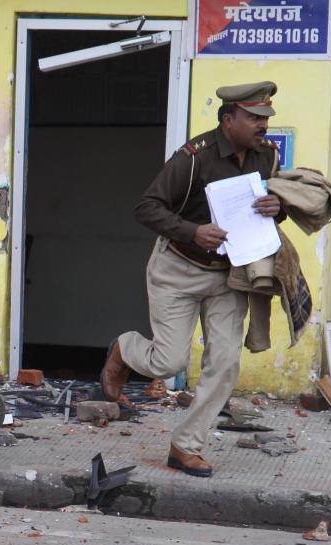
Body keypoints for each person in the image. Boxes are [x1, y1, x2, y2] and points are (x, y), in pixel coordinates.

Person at [100, 81, 284, 478]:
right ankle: (123, 350)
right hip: (177, 270)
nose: (262, 125)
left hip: (229, 276)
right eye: (253, 117)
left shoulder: (267, 157)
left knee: (224, 363)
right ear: (228, 119)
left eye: (265, 118)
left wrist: (278, 206)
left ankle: (186, 447)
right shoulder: (193, 158)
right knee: (170, 362)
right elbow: (146, 207)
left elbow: (272, 207)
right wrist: (191, 230)